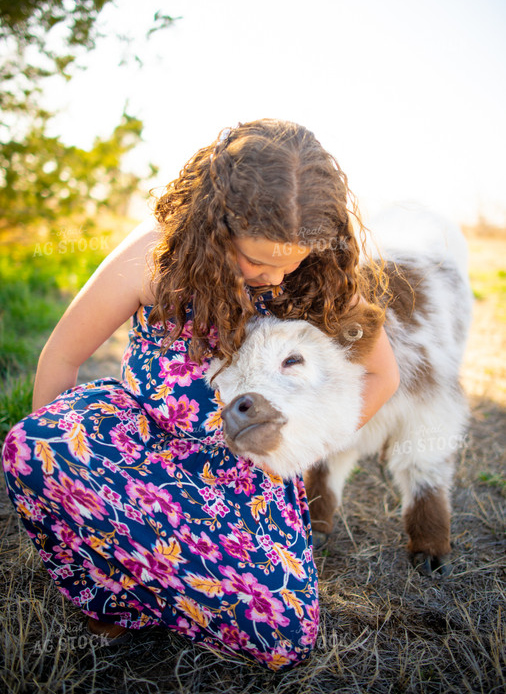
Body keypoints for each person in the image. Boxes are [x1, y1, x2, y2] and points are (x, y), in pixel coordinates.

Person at [2, 119, 399, 670]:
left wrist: (304, 444)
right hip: (137, 442)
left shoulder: (320, 280)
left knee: (283, 641)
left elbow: (383, 377)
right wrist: (67, 497)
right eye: (256, 260)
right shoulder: (157, 256)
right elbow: (62, 359)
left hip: (241, 480)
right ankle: (116, 589)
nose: (274, 277)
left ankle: (158, 577)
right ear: (214, 228)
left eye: (293, 259)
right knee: (34, 444)